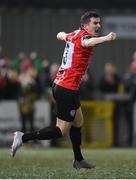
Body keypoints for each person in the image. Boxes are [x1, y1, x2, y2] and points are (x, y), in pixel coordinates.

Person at [10, 10, 116, 169]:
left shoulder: (73, 34)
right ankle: (23, 137)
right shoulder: (84, 38)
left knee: (78, 122)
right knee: (61, 130)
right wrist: (106, 38)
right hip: (67, 88)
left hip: (62, 85)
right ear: (86, 25)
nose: (98, 25)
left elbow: (60, 35)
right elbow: (88, 42)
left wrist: (62, 35)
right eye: (95, 23)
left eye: (99, 23)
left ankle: (78, 160)